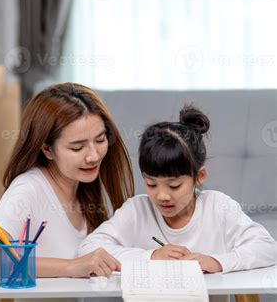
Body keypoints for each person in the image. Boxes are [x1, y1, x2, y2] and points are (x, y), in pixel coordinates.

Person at [0, 82, 135, 278]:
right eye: (77, 148)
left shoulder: (87, 185)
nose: (93, 156)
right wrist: (71, 267)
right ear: (47, 149)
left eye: (100, 140)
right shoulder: (29, 189)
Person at [79, 104, 276, 273]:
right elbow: (89, 248)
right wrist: (151, 256)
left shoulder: (218, 207)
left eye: (174, 185)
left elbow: (267, 247)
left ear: (199, 176)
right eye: (151, 184)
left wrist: (218, 262)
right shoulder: (137, 210)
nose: (162, 196)